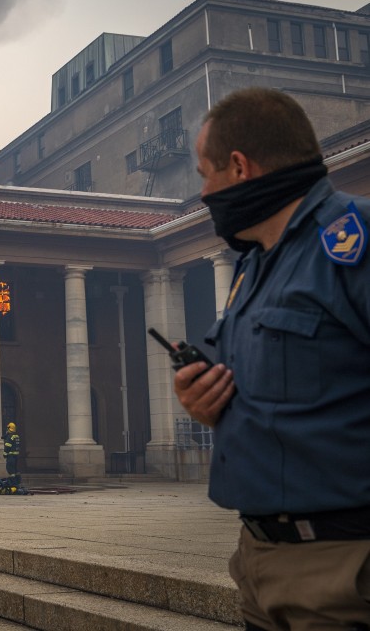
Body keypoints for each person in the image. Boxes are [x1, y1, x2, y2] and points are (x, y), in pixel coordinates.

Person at [174, 87, 370, 630]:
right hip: (260, 560)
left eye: (204, 173)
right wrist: (202, 398)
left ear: (239, 167)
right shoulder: (254, 266)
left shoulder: (353, 241)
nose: (203, 192)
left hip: (338, 567)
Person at [2, 422, 21, 487]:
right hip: (16, 456)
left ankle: (13, 483)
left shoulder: (10, 437)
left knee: (10, 469)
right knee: (16, 470)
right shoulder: (16, 436)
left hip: (10, 456)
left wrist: (5, 454)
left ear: (9, 428)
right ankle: (18, 482)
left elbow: (7, 446)